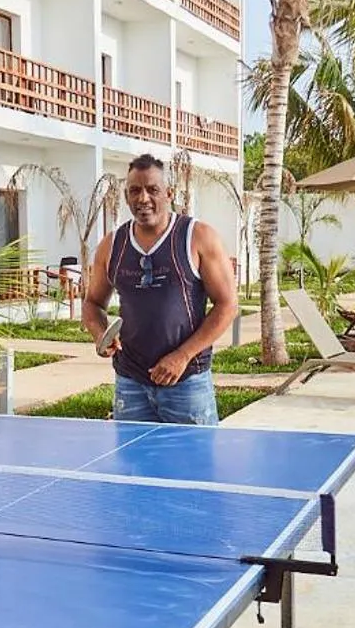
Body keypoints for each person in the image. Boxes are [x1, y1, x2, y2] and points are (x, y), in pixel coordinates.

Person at [82, 154, 239, 425]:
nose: (143, 198)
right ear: (126, 196)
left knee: (194, 466)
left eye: (152, 189)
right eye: (134, 190)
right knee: (132, 465)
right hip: (130, 382)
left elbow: (227, 305)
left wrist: (182, 356)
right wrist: (100, 335)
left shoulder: (198, 237)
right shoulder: (112, 245)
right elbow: (92, 303)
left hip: (186, 382)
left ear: (168, 193)